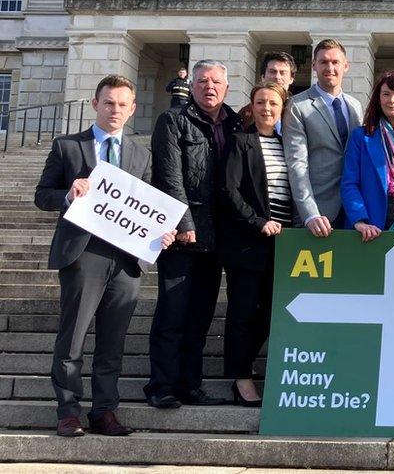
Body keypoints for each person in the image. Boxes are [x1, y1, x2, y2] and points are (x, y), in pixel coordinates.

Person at [36, 75, 176, 437]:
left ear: (132, 109)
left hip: (126, 262)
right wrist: (68, 195)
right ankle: (68, 411)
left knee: (112, 344)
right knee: (73, 339)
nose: (115, 110)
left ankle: (104, 412)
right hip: (83, 255)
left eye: (122, 105)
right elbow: (42, 195)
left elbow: (147, 205)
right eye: (108, 103)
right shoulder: (68, 146)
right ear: (96, 104)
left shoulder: (141, 154)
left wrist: (162, 230)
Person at [146, 60, 242, 409]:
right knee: (173, 312)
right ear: (193, 86)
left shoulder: (235, 122)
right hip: (180, 234)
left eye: (217, 81)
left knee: (201, 314)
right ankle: (161, 385)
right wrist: (185, 223)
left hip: (219, 237)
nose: (209, 87)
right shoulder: (173, 120)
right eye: (202, 81)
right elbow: (169, 176)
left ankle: (189, 383)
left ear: (227, 88)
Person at [218, 81, 295, 407]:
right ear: (252, 106)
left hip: (282, 244)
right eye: (261, 102)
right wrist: (257, 222)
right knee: (243, 312)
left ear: (282, 109)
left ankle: (244, 364)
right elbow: (229, 191)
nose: (267, 108)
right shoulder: (240, 142)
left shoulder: (286, 144)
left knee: (272, 311)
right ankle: (241, 378)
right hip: (249, 244)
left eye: (273, 104)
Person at [284, 38, 363, 238]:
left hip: (353, 211)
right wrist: (309, 214)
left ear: (346, 66)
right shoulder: (297, 105)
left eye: (335, 62)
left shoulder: (356, 106)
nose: (330, 67)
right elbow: (296, 164)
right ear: (314, 66)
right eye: (323, 62)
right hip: (317, 213)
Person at [340, 71, 394, 241]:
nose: (392, 100)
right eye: (386, 94)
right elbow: (349, 183)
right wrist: (360, 220)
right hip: (370, 224)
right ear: (378, 98)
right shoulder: (361, 136)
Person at [239, 52, 297, 129]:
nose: (277, 77)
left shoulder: (298, 110)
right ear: (263, 77)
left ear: (291, 79)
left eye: (282, 73)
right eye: (272, 71)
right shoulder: (247, 112)